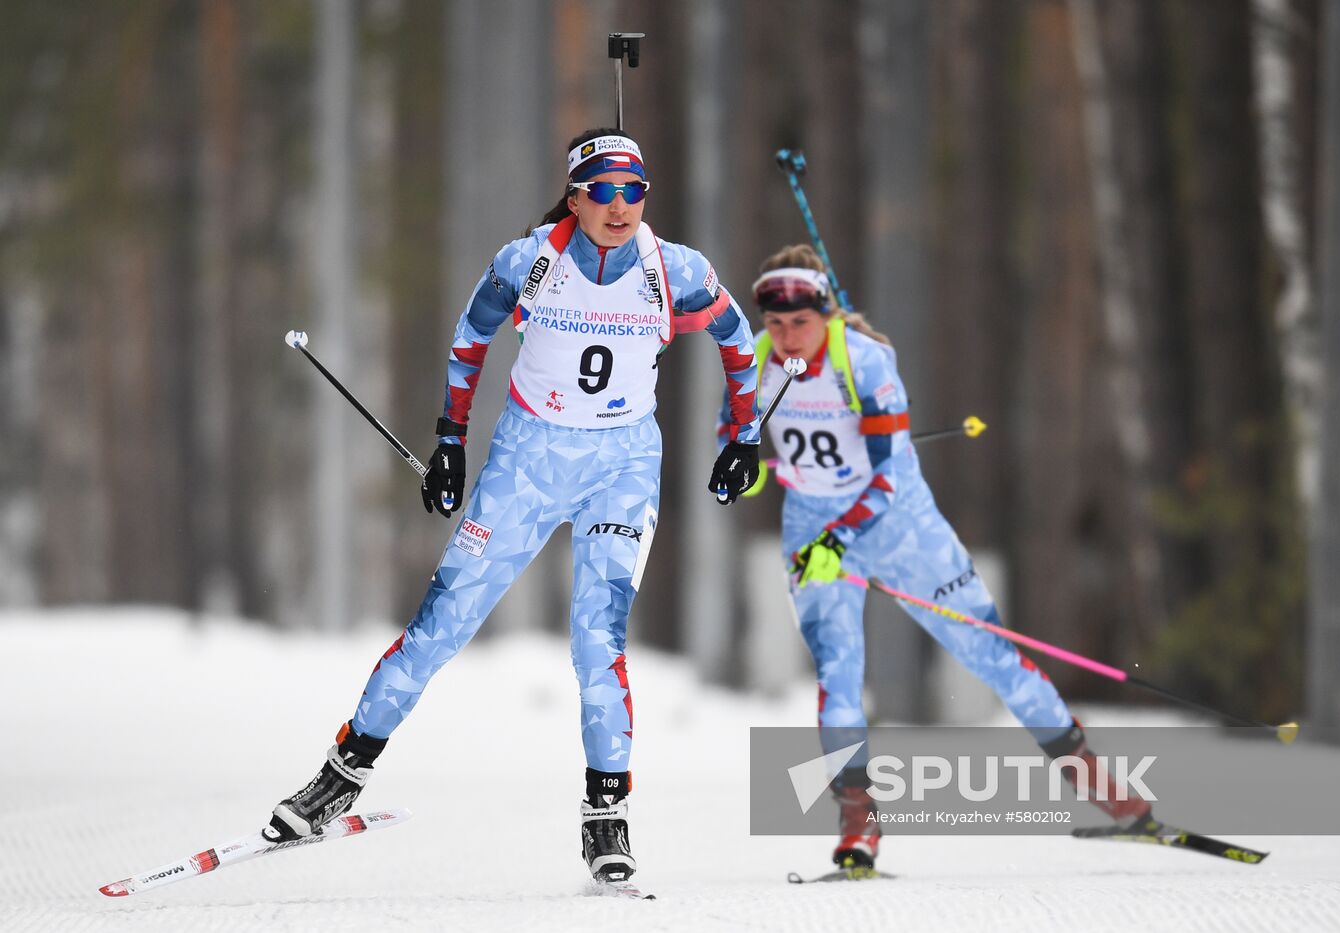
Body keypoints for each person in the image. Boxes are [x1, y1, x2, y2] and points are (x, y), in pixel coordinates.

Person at [264, 129, 763, 886]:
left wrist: (742, 435)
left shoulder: (675, 269)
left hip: (621, 466)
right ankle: (341, 774)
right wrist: (451, 442)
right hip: (527, 462)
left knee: (598, 637)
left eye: (634, 190)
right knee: (442, 622)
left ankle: (607, 816)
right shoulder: (528, 260)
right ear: (575, 197)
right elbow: (472, 337)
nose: (620, 205)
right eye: (603, 191)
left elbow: (735, 335)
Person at [719, 244, 1153, 872]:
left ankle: (1104, 791)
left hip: (900, 528)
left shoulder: (865, 362)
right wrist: (740, 473)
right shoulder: (754, 369)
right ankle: (857, 821)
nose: (787, 337)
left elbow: (890, 475)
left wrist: (839, 542)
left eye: (800, 323)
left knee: (990, 655)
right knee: (838, 673)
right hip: (811, 525)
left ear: (826, 317)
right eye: (775, 324)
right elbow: (740, 458)